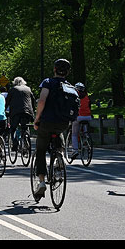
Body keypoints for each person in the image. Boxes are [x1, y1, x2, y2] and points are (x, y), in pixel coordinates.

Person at [33, 59, 79, 199]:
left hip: (47, 122)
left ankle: (41, 182)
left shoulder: (48, 82)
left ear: (54, 69)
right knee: (58, 137)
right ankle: (59, 160)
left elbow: (42, 100)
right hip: (63, 123)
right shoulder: (71, 87)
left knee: (40, 150)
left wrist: (37, 119)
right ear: (68, 72)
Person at [5, 77, 35, 152]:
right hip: (27, 112)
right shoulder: (28, 89)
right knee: (25, 127)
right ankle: (26, 139)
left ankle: (15, 144)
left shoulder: (13, 90)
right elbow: (33, 100)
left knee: (13, 128)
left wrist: (4, 110)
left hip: (16, 112)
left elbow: (7, 102)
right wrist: (33, 111)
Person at [70, 82, 92, 159]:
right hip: (88, 116)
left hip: (79, 116)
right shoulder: (87, 97)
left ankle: (75, 150)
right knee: (85, 125)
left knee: (74, 134)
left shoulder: (75, 96)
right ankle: (86, 137)